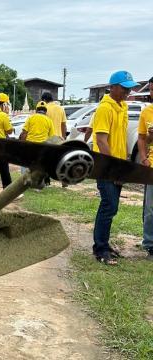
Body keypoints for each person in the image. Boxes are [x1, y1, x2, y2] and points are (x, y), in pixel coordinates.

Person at [91, 70, 138, 265]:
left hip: (118, 165)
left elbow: (123, 139)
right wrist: (113, 168)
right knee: (109, 205)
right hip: (105, 166)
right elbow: (101, 141)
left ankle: (104, 243)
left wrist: (125, 163)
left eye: (129, 88)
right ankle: (100, 248)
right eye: (124, 88)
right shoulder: (105, 108)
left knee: (112, 207)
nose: (128, 92)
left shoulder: (122, 107)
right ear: (113, 87)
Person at [136, 76, 153, 261]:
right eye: (151, 89)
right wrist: (143, 157)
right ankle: (149, 244)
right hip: (151, 167)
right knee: (150, 208)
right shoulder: (147, 113)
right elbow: (142, 139)